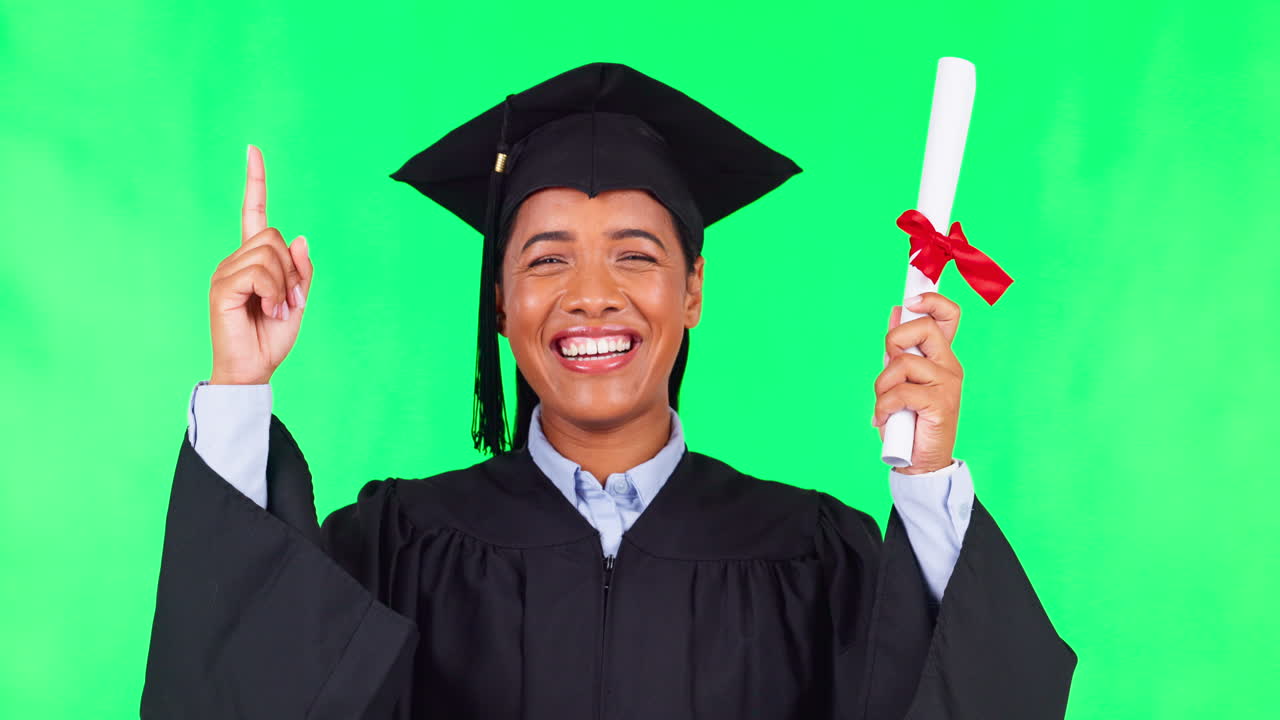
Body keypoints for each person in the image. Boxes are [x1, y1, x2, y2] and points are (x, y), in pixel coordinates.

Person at [142, 62, 1076, 719]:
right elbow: (241, 670)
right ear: (500, 303)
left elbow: (966, 695)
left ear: (693, 292)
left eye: (636, 255)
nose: (592, 295)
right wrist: (239, 387)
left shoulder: (814, 558)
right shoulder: (396, 547)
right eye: (547, 260)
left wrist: (926, 477)